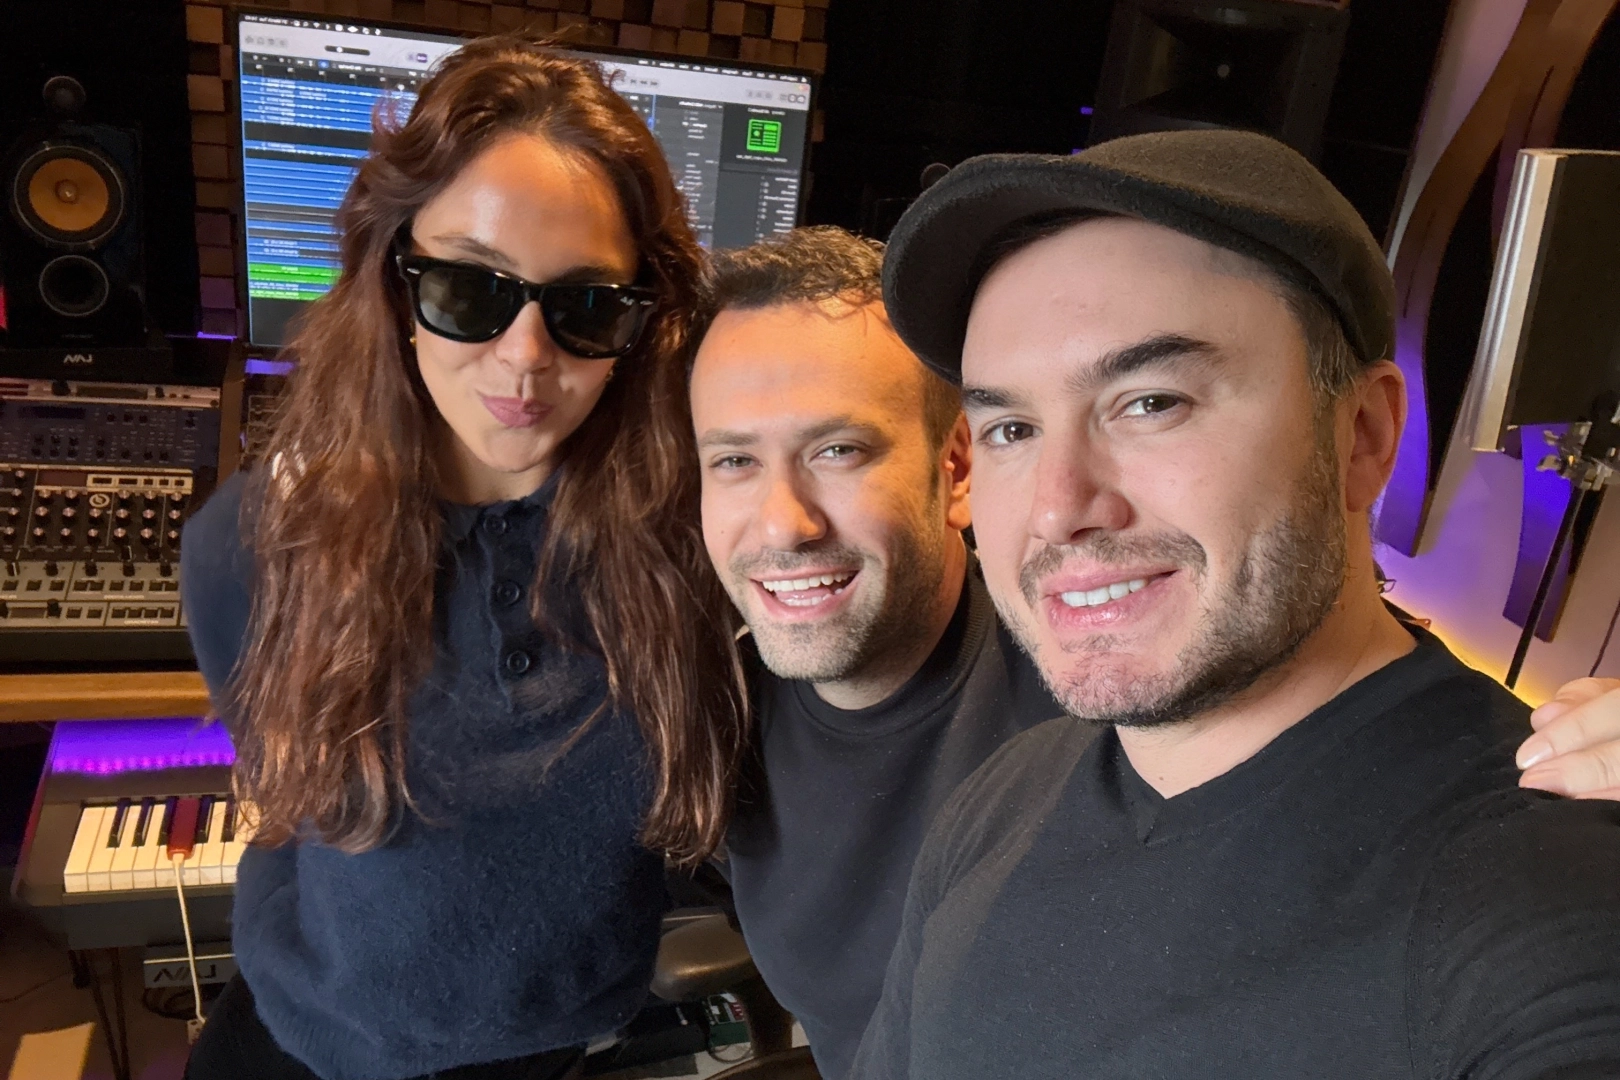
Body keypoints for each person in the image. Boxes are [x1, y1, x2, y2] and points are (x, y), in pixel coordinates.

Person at [688, 226, 1620, 1079]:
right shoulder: (1008, 794)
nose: (1059, 507)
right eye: (1016, 428)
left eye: (1150, 403)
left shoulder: (1530, 885)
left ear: (1363, 435)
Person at [179, 33, 748, 1080]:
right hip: (299, 1049)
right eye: (471, 292)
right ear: (395, 284)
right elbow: (287, 807)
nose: (526, 360)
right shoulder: (248, 548)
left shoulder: (701, 549)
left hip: (552, 1052)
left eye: (586, 307)